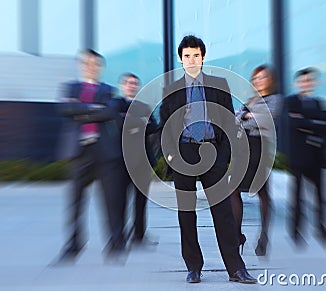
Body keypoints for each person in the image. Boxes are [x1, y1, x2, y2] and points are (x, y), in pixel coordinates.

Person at [159, 35, 256, 284]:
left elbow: (228, 122)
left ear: (203, 57)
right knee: (187, 213)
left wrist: (224, 157)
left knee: (223, 213)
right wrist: (171, 155)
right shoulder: (171, 89)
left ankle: (236, 268)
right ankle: (193, 266)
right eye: (187, 56)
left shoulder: (219, 84)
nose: (192, 60)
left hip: (213, 153)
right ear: (181, 60)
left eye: (196, 55)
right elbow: (165, 127)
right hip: (183, 154)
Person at [56, 49, 123, 263]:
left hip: (103, 151)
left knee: (110, 201)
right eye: (87, 63)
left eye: (95, 63)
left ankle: (115, 243)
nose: (90, 67)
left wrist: (80, 111)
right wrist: (93, 109)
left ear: (100, 67)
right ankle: (74, 244)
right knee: (75, 202)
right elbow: (66, 109)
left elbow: (109, 113)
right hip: (79, 151)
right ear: (81, 65)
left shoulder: (109, 90)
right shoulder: (70, 87)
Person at [231, 64, 282, 256]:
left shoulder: (276, 100)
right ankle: (237, 236)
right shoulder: (251, 100)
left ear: (271, 79)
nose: (258, 81)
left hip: (261, 148)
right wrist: (246, 115)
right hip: (244, 149)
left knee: (263, 193)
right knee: (233, 191)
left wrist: (245, 116)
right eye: (256, 78)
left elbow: (263, 120)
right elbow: (236, 119)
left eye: (262, 77)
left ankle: (264, 237)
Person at [285, 67, 326, 247]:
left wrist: (305, 123)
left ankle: (323, 232)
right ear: (297, 83)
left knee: (321, 198)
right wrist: (313, 123)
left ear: (314, 82)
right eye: (303, 80)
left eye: (310, 80)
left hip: (317, 157)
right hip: (299, 158)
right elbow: (292, 123)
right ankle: (296, 233)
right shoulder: (290, 102)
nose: (307, 83)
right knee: (297, 196)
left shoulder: (320, 103)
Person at [111, 72, 158, 248]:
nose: (132, 86)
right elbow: (118, 124)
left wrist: (131, 120)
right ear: (122, 85)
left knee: (140, 201)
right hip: (122, 160)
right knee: (121, 200)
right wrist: (139, 122)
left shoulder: (143, 106)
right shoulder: (115, 104)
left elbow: (153, 126)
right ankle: (120, 236)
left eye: (135, 83)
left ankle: (139, 235)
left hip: (142, 160)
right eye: (128, 83)